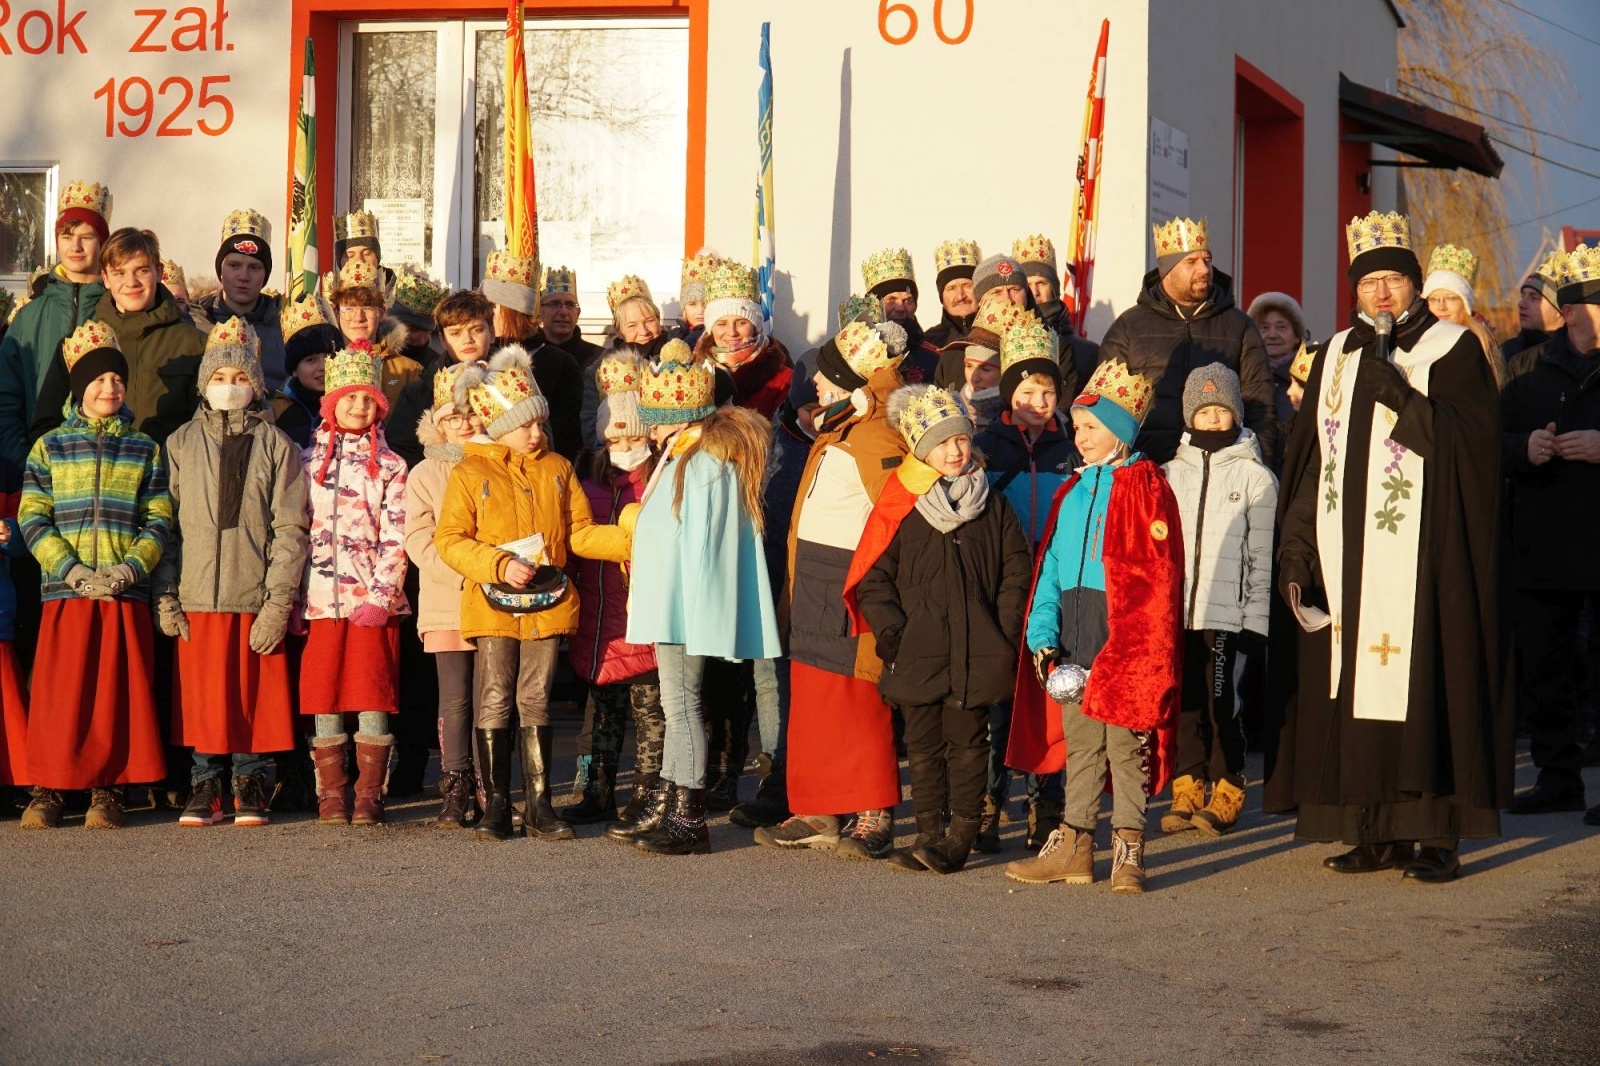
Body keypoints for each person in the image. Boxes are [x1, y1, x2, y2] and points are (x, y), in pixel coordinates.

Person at [1266, 211, 1511, 883]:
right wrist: (1297, 546)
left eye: (1394, 282)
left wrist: (1405, 398)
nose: (1381, 296)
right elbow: (1310, 458)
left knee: (1427, 682)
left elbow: (1476, 453)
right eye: (1369, 283)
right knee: (1348, 689)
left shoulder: (1453, 349)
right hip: (1346, 554)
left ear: (1413, 284)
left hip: (1428, 559)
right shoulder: (1337, 355)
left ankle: (1433, 836)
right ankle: (1366, 829)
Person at [435, 346, 631, 842]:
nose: (537, 434)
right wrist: (499, 564)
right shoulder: (469, 473)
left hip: (549, 600)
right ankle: (498, 805)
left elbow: (580, 531)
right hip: (493, 603)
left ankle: (540, 805)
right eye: (526, 426)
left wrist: (634, 541)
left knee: (536, 699)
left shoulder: (558, 469)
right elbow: (451, 540)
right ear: (500, 426)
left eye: (540, 424)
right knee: (495, 696)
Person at [1002, 359, 1181, 893]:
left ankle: (1129, 849)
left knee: (1125, 748)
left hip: (1124, 641)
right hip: (1076, 634)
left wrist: (1135, 649)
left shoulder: (1147, 489)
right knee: (1082, 745)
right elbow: (1051, 568)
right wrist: (1042, 634)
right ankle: (1076, 845)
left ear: (1121, 432)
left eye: (1091, 429)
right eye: (1076, 428)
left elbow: (1158, 580)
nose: (1079, 438)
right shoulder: (1072, 491)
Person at [846, 384, 1031, 873]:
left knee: (970, 746)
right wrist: (894, 636)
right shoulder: (902, 507)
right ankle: (930, 831)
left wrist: (1005, 632)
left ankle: (962, 836)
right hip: (917, 652)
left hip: (978, 651)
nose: (953, 451)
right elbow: (875, 579)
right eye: (941, 442)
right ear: (920, 450)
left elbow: (1016, 573)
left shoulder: (993, 505)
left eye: (961, 440)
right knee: (924, 748)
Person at [614, 347, 781, 855]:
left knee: (682, 705)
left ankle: (688, 815)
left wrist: (697, 614)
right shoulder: (684, 454)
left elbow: (704, 543)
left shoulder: (704, 461)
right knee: (676, 704)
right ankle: (671, 801)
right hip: (673, 600)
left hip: (684, 605)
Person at [756, 318, 910, 860]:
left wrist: (873, 588)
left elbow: (896, 516)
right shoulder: (838, 429)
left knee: (857, 699)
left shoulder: (875, 436)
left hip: (851, 585)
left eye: (825, 379)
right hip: (814, 582)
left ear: (850, 382)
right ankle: (818, 808)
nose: (816, 387)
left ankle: (873, 811)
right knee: (817, 701)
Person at [17, 320, 173, 829]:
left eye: (117, 380)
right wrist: (73, 569)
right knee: (61, 693)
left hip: (122, 591)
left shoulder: (144, 449)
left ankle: (107, 787)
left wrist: (132, 568)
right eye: (98, 380)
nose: (109, 388)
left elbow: (159, 518)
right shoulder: (51, 448)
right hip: (68, 590)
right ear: (79, 387)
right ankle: (52, 787)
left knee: (114, 692)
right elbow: (32, 516)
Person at [154, 318, 308, 828]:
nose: (230, 386)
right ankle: (205, 782)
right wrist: (167, 594)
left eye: (241, 378)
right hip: (196, 594)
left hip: (253, 593)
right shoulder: (178, 444)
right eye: (220, 376)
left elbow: (289, 532)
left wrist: (276, 604)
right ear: (204, 381)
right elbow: (167, 527)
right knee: (204, 699)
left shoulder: (277, 446)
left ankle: (251, 779)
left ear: (256, 384)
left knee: (251, 699)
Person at [1500, 243, 1600, 820]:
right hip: (1542, 540)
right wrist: (1525, 448)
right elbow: (1489, 443)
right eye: (1583, 304)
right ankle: (1557, 776)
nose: (1590, 314)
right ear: (1569, 310)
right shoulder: (1525, 368)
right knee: (1546, 666)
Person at [971, 309, 1076, 851]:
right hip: (1002, 584)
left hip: (1053, 586)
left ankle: (1047, 802)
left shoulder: (1071, 449)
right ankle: (990, 801)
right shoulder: (988, 447)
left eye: (1047, 391)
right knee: (999, 700)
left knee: (1049, 693)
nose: (1038, 402)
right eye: (1028, 390)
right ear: (1010, 391)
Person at [1160, 365, 1276, 837]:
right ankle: (1188, 784)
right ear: (1190, 416)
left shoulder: (1255, 476)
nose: (1211, 421)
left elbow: (1263, 554)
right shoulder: (1168, 473)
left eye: (1219, 412)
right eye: (1203, 412)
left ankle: (1228, 784)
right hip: (1179, 613)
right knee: (1186, 700)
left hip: (1228, 615)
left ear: (1235, 415)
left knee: (1221, 701)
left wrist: (1257, 619)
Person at [300, 338, 410, 828]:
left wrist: (382, 596)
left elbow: (397, 534)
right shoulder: (306, 463)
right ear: (331, 403)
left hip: (371, 601)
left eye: (368, 398)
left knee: (371, 694)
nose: (359, 406)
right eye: (349, 397)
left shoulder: (390, 466)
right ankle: (332, 793)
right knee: (325, 695)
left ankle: (369, 792)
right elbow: (294, 530)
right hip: (320, 600)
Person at [562, 350, 664, 825]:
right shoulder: (587, 479)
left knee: (649, 713)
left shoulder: (659, 479)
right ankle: (597, 788)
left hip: (643, 614)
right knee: (601, 710)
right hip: (598, 618)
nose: (625, 438)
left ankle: (647, 791)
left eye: (635, 428)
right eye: (616, 429)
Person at [1097, 216, 1279, 467]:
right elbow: (1105, 409)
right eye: (1191, 262)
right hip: (1146, 472)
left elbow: (1261, 409)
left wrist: (1259, 468)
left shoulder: (1240, 327)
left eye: (1207, 261)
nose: (1204, 270)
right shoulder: (1128, 327)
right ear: (1167, 271)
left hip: (1218, 476)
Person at [33, 227, 204, 451]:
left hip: (165, 480)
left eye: (141, 270)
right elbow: (47, 424)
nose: (131, 282)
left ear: (159, 272)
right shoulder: (81, 343)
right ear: (105, 278)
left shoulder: (195, 345)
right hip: (89, 480)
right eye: (119, 273)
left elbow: (205, 431)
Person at [402, 360, 481, 828]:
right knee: (454, 698)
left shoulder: (498, 464)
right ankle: (456, 784)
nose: (464, 423)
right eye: (453, 416)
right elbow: (418, 537)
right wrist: (460, 572)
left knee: (492, 695)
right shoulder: (425, 474)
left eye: (471, 413)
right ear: (437, 422)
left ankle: (489, 781)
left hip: (493, 597)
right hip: (447, 598)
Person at [0, 179, 111, 471]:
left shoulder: (115, 311)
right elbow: (6, 398)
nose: (75, 246)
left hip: (104, 472)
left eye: (86, 237)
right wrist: (27, 461)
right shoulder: (27, 317)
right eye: (67, 235)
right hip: (35, 468)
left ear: (102, 241)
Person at [481, 249, 583, 460]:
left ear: (511, 311)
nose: (486, 315)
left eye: (492, 307)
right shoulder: (480, 355)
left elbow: (567, 433)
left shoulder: (559, 362)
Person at [387, 288, 492, 468]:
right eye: (455, 333)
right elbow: (402, 454)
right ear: (442, 339)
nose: (468, 339)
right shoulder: (417, 393)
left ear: (492, 332)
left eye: (476, 329)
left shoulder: (515, 381)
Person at [189, 210, 287, 392]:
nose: (243, 276)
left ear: (265, 274)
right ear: (221, 269)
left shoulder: (284, 328)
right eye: (234, 265)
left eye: (254, 267)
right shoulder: (193, 323)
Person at [696, 259, 792, 419]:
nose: (731, 332)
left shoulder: (784, 379)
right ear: (710, 328)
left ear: (756, 326)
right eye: (721, 323)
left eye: (742, 322)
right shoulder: (694, 372)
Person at [325, 259, 423, 410]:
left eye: (368, 308)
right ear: (337, 313)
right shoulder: (322, 366)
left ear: (382, 312)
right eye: (349, 308)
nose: (359, 317)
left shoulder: (409, 372)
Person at [1013, 234, 1095, 395]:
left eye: (1041, 283)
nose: (1034, 292)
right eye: (1027, 285)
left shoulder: (1087, 353)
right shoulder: (1000, 342)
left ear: (1054, 289)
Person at [1423, 244, 1507, 388]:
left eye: (1451, 298)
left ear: (1465, 304)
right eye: (1434, 299)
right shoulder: (1417, 342)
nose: (1441, 306)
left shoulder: (1481, 343)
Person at [861, 247, 941, 383]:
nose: (900, 308)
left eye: (908, 300)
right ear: (875, 306)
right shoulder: (855, 351)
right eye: (891, 300)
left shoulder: (933, 357)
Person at [272, 294, 341, 450]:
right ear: (294, 370)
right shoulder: (277, 414)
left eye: (330, 357)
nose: (323, 367)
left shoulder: (352, 406)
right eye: (311, 360)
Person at [1247, 291, 1306, 433]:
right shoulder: (1242, 374)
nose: (1272, 335)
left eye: (1281, 327)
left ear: (1297, 336)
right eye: (1264, 327)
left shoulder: (1311, 377)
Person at [1502, 251, 1566, 363]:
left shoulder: (1575, 355)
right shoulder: (1504, 353)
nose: (1521, 304)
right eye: (1523, 295)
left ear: (1560, 310)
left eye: (1534, 297)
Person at [922, 238, 981, 350]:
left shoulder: (997, 334)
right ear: (941, 297)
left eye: (967, 285)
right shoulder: (929, 343)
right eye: (951, 288)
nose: (960, 296)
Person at [334, 210, 396, 300]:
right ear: (340, 262)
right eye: (350, 255)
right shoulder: (330, 294)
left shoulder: (400, 296)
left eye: (366, 253)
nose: (359, 260)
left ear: (377, 257)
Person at [672, 249, 722, 347]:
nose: (700, 311)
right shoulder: (674, 336)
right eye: (692, 304)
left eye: (706, 304)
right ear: (684, 307)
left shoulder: (719, 338)